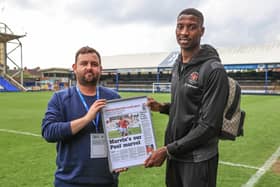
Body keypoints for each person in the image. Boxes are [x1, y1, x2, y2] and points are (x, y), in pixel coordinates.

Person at [144, 8, 229, 187]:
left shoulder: (214, 70)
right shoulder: (178, 65)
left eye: (191, 27)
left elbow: (209, 125)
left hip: (198, 160)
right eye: (180, 27)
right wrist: (162, 107)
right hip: (176, 155)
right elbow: (187, 106)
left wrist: (167, 150)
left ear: (202, 31)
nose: (184, 32)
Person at [42, 46, 125, 187]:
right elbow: (49, 132)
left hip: (106, 182)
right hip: (69, 182)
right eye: (84, 63)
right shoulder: (60, 98)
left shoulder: (113, 97)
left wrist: (123, 158)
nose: (89, 67)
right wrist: (87, 119)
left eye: (94, 64)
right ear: (75, 68)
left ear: (100, 68)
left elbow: (122, 133)